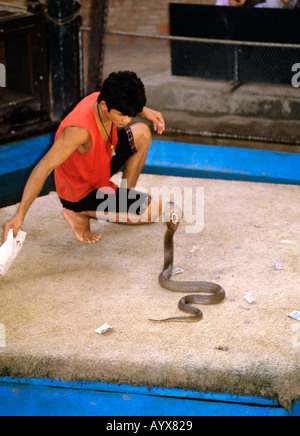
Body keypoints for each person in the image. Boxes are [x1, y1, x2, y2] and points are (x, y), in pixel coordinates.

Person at [3, 71, 165, 244]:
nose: (126, 120)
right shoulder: (78, 131)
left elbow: (124, 107)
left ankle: (123, 195)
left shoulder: (103, 97)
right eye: (123, 115)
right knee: (153, 210)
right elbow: (44, 166)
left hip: (99, 167)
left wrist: (144, 111)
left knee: (142, 132)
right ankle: (79, 213)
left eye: (130, 114)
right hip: (81, 193)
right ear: (104, 105)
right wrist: (19, 215)